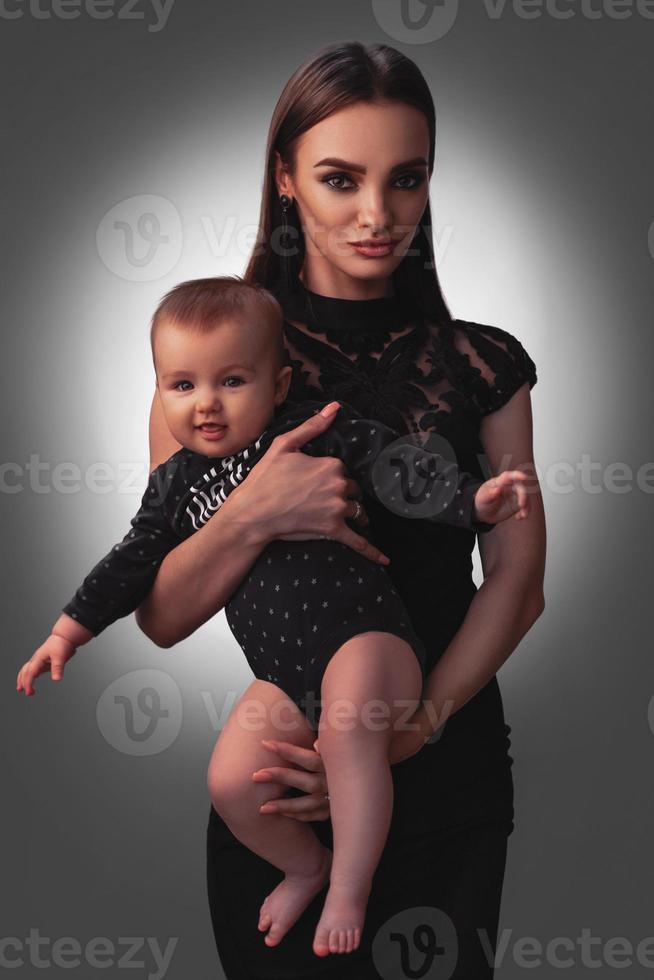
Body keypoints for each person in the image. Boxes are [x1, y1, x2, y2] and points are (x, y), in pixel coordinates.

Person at [135, 41, 545, 979]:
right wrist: (253, 513)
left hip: (448, 765)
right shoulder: (220, 368)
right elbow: (161, 614)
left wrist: (403, 734)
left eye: (406, 179)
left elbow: (518, 585)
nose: (377, 214)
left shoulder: (486, 364)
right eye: (339, 178)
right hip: (286, 791)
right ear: (285, 180)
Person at [16, 275, 530, 959]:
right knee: (231, 779)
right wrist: (66, 631)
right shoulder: (175, 487)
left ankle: (349, 888)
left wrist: (473, 502)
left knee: (350, 734)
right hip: (285, 673)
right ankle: (305, 866)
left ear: (279, 385)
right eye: (182, 386)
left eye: (231, 382)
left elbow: (397, 468)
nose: (206, 404)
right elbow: (130, 566)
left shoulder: (309, 432)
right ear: (160, 388)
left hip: (365, 640)